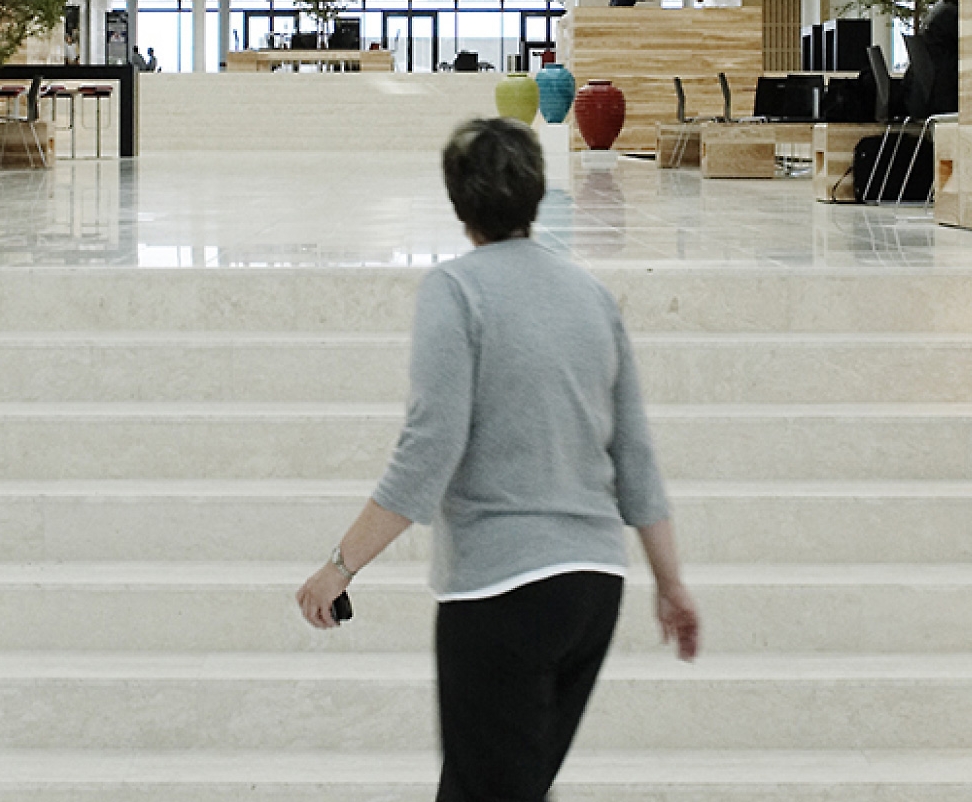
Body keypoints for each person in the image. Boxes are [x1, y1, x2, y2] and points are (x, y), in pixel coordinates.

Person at [296, 118, 699, 802]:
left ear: (460, 205)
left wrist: (337, 569)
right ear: (537, 194)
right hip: (592, 591)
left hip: (502, 592)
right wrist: (670, 583)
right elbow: (635, 457)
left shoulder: (457, 293)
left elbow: (429, 449)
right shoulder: (592, 298)